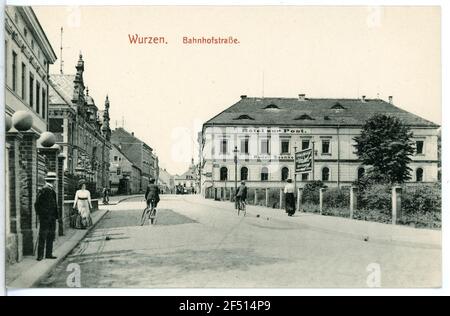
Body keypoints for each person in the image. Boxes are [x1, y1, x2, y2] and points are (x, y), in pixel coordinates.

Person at [35, 172, 59, 261]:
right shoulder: (44, 190)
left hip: (52, 218)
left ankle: (49, 254)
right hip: (45, 218)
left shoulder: (52, 190)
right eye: (55, 181)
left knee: (51, 235)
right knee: (43, 235)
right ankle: (40, 255)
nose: (56, 182)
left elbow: (54, 205)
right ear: (52, 181)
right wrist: (42, 215)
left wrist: (56, 216)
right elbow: (37, 204)